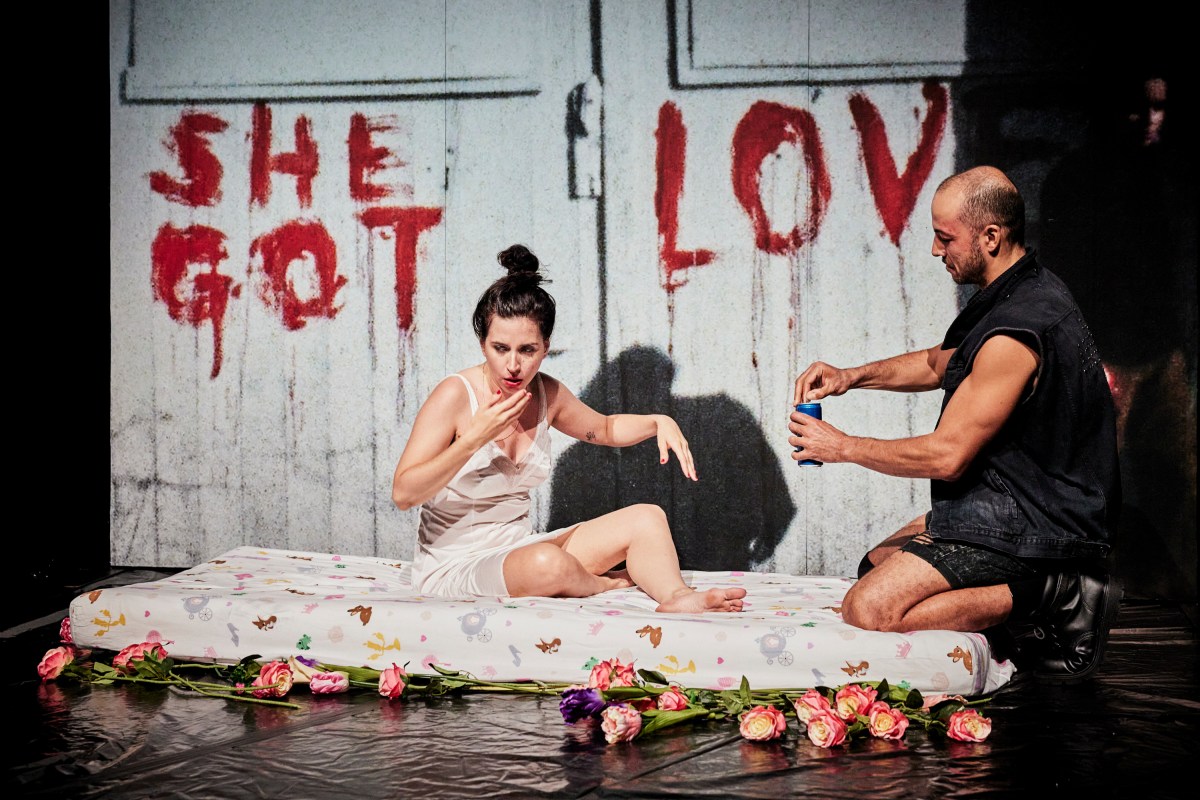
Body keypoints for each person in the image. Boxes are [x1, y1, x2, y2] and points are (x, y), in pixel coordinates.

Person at [788, 166, 1121, 681]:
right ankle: (1018, 617)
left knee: (870, 609)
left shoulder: (1018, 330)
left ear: (990, 236)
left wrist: (842, 446)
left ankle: (1059, 591)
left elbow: (947, 456)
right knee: (877, 563)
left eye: (945, 238)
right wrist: (850, 376)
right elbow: (940, 362)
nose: (935, 250)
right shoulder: (1014, 291)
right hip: (1008, 499)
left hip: (1037, 522)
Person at [393, 244, 746, 613]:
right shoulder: (455, 394)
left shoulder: (548, 393)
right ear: (483, 344)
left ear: (546, 347)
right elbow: (404, 493)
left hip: (517, 551)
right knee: (548, 563)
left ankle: (676, 597)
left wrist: (660, 421)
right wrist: (476, 437)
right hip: (454, 565)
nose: (513, 365)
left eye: (527, 350)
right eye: (500, 348)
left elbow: (606, 428)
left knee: (647, 517)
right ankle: (605, 582)